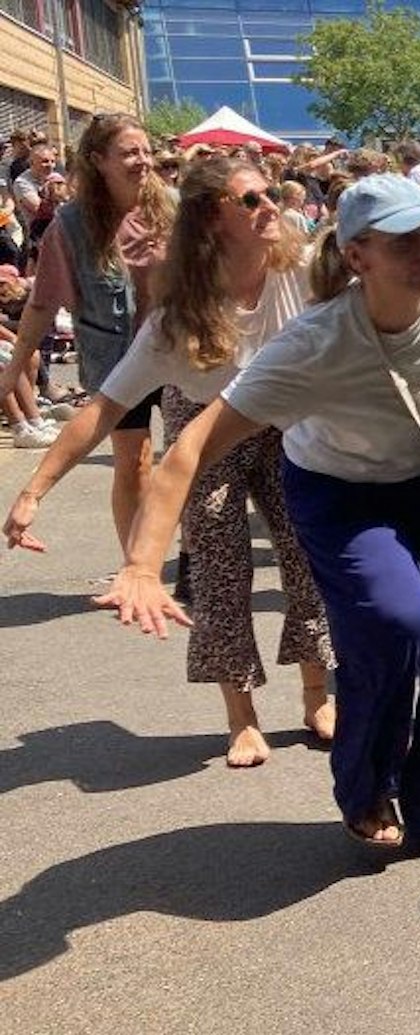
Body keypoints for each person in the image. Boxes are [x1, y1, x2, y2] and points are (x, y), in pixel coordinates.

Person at [97, 174, 420, 858]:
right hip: (343, 494)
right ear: (357, 257)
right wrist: (142, 564)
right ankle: (367, 783)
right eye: (403, 242)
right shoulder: (314, 343)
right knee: (397, 622)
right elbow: (190, 446)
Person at [5, 156, 335, 766]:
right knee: (219, 568)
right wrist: (34, 490)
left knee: (306, 555)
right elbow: (103, 409)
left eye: (270, 196)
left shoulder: (302, 270)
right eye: (252, 200)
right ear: (213, 218)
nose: (271, 207)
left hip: (285, 430)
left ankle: (317, 694)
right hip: (203, 431)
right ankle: (241, 716)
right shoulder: (178, 318)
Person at [1, 116, 177, 510]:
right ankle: (135, 562)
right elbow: (43, 303)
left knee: (192, 462)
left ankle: (191, 556)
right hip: (116, 360)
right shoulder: (71, 226)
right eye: (130, 153)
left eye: (147, 151)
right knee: (134, 463)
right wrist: (13, 370)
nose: (144, 160)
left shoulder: (172, 208)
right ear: (98, 160)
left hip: (177, 355)